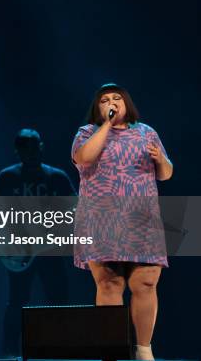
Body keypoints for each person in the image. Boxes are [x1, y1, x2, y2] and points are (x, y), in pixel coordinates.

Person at [71, 83, 173, 361]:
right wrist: (106, 125)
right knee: (109, 284)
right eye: (105, 100)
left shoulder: (146, 132)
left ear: (127, 102)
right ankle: (112, 350)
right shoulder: (87, 133)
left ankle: (143, 349)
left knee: (147, 282)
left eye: (117, 98)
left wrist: (160, 159)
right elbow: (84, 158)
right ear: (98, 107)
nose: (112, 102)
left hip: (142, 217)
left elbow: (165, 173)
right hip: (101, 217)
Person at [0, 128, 76, 356]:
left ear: (41, 147)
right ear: (17, 151)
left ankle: (60, 349)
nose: (32, 153)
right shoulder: (7, 177)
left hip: (50, 249)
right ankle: (9, 352)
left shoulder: (56, 176)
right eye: (26, 149)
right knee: (18, 300)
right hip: (19, 250)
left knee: (58, 298)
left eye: (35, 147)